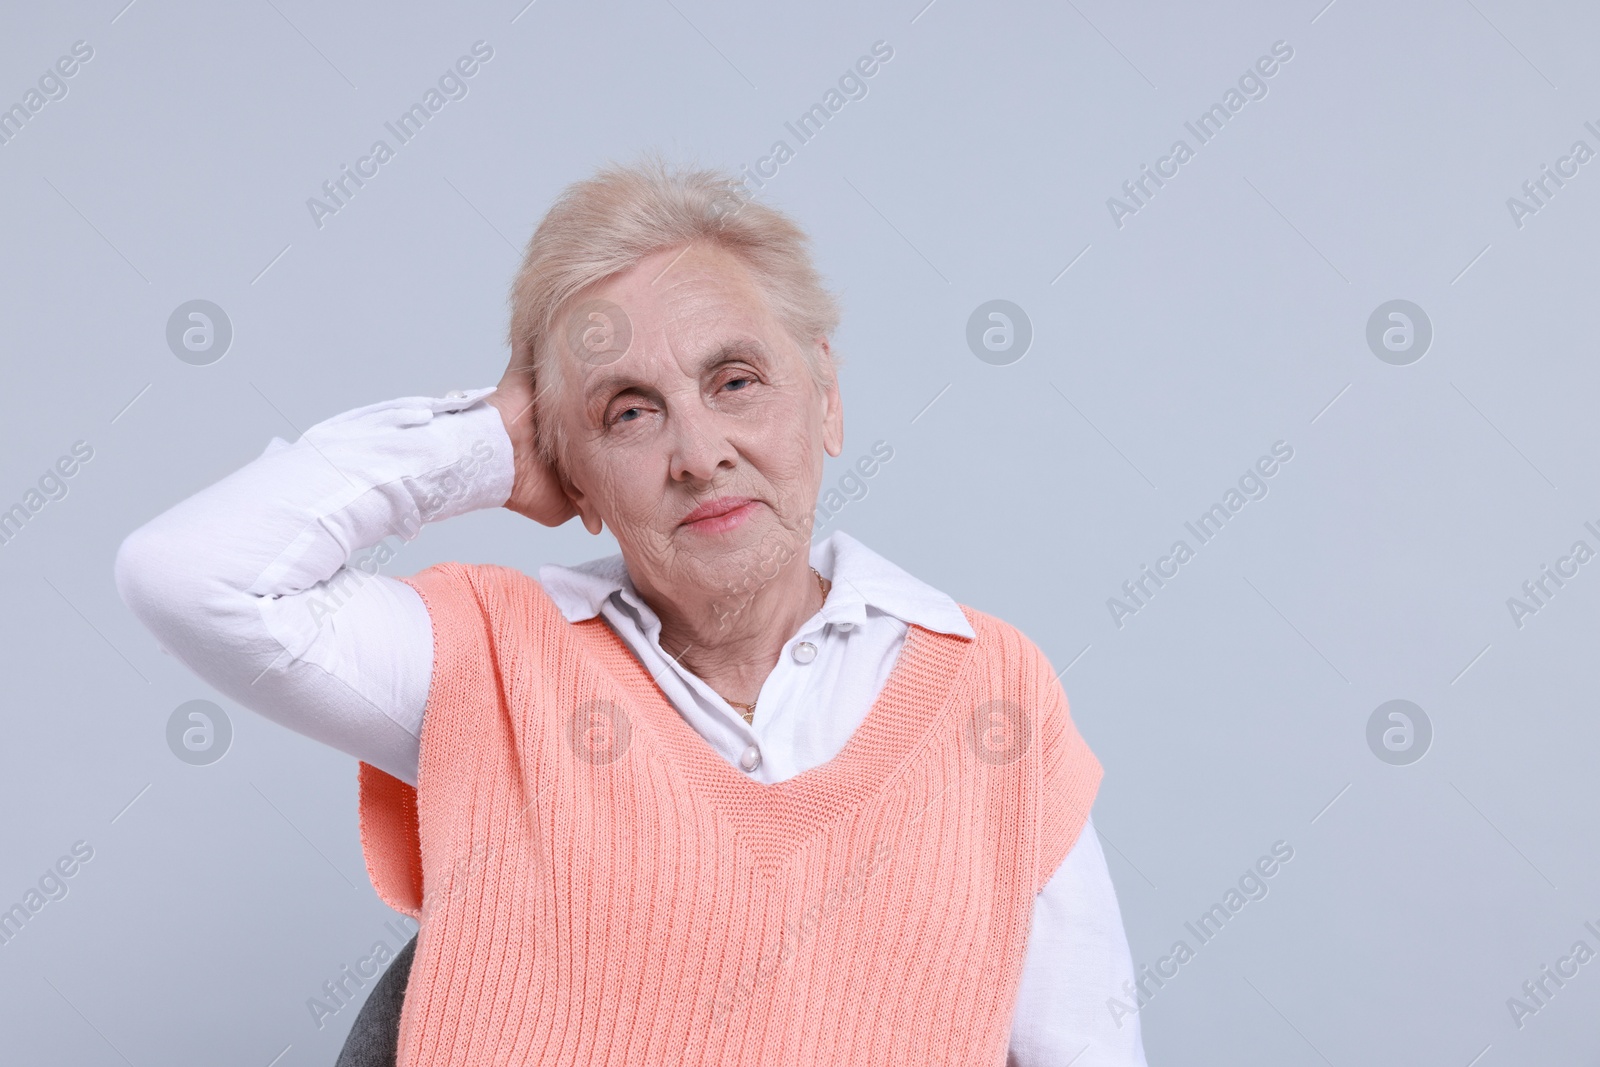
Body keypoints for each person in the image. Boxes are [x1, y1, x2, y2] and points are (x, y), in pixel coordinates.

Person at [115, 157, 1149, 1066]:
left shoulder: (993, 688)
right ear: (569, 472)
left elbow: (1085, 1044)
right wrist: (481, 440)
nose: (698, 452)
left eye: (735, 379)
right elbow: (189, 573)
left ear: (824, 395)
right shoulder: (489, 660)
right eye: (628, 411)